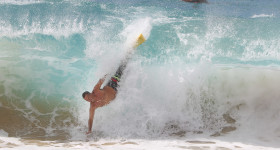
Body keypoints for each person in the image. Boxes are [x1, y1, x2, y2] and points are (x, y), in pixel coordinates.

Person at [82, 61, 127, 134]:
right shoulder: (93, 106)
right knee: (125, 77)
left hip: (112, 84)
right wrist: (89, 130)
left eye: (88, 97)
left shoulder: (96, 90)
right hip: (117, 93)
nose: (89, 100)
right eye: (87, 100)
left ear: (90, 93)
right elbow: (90, 119)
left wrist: (108, 72)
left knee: (121, 70)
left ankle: (127, 56)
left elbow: (101, 80)